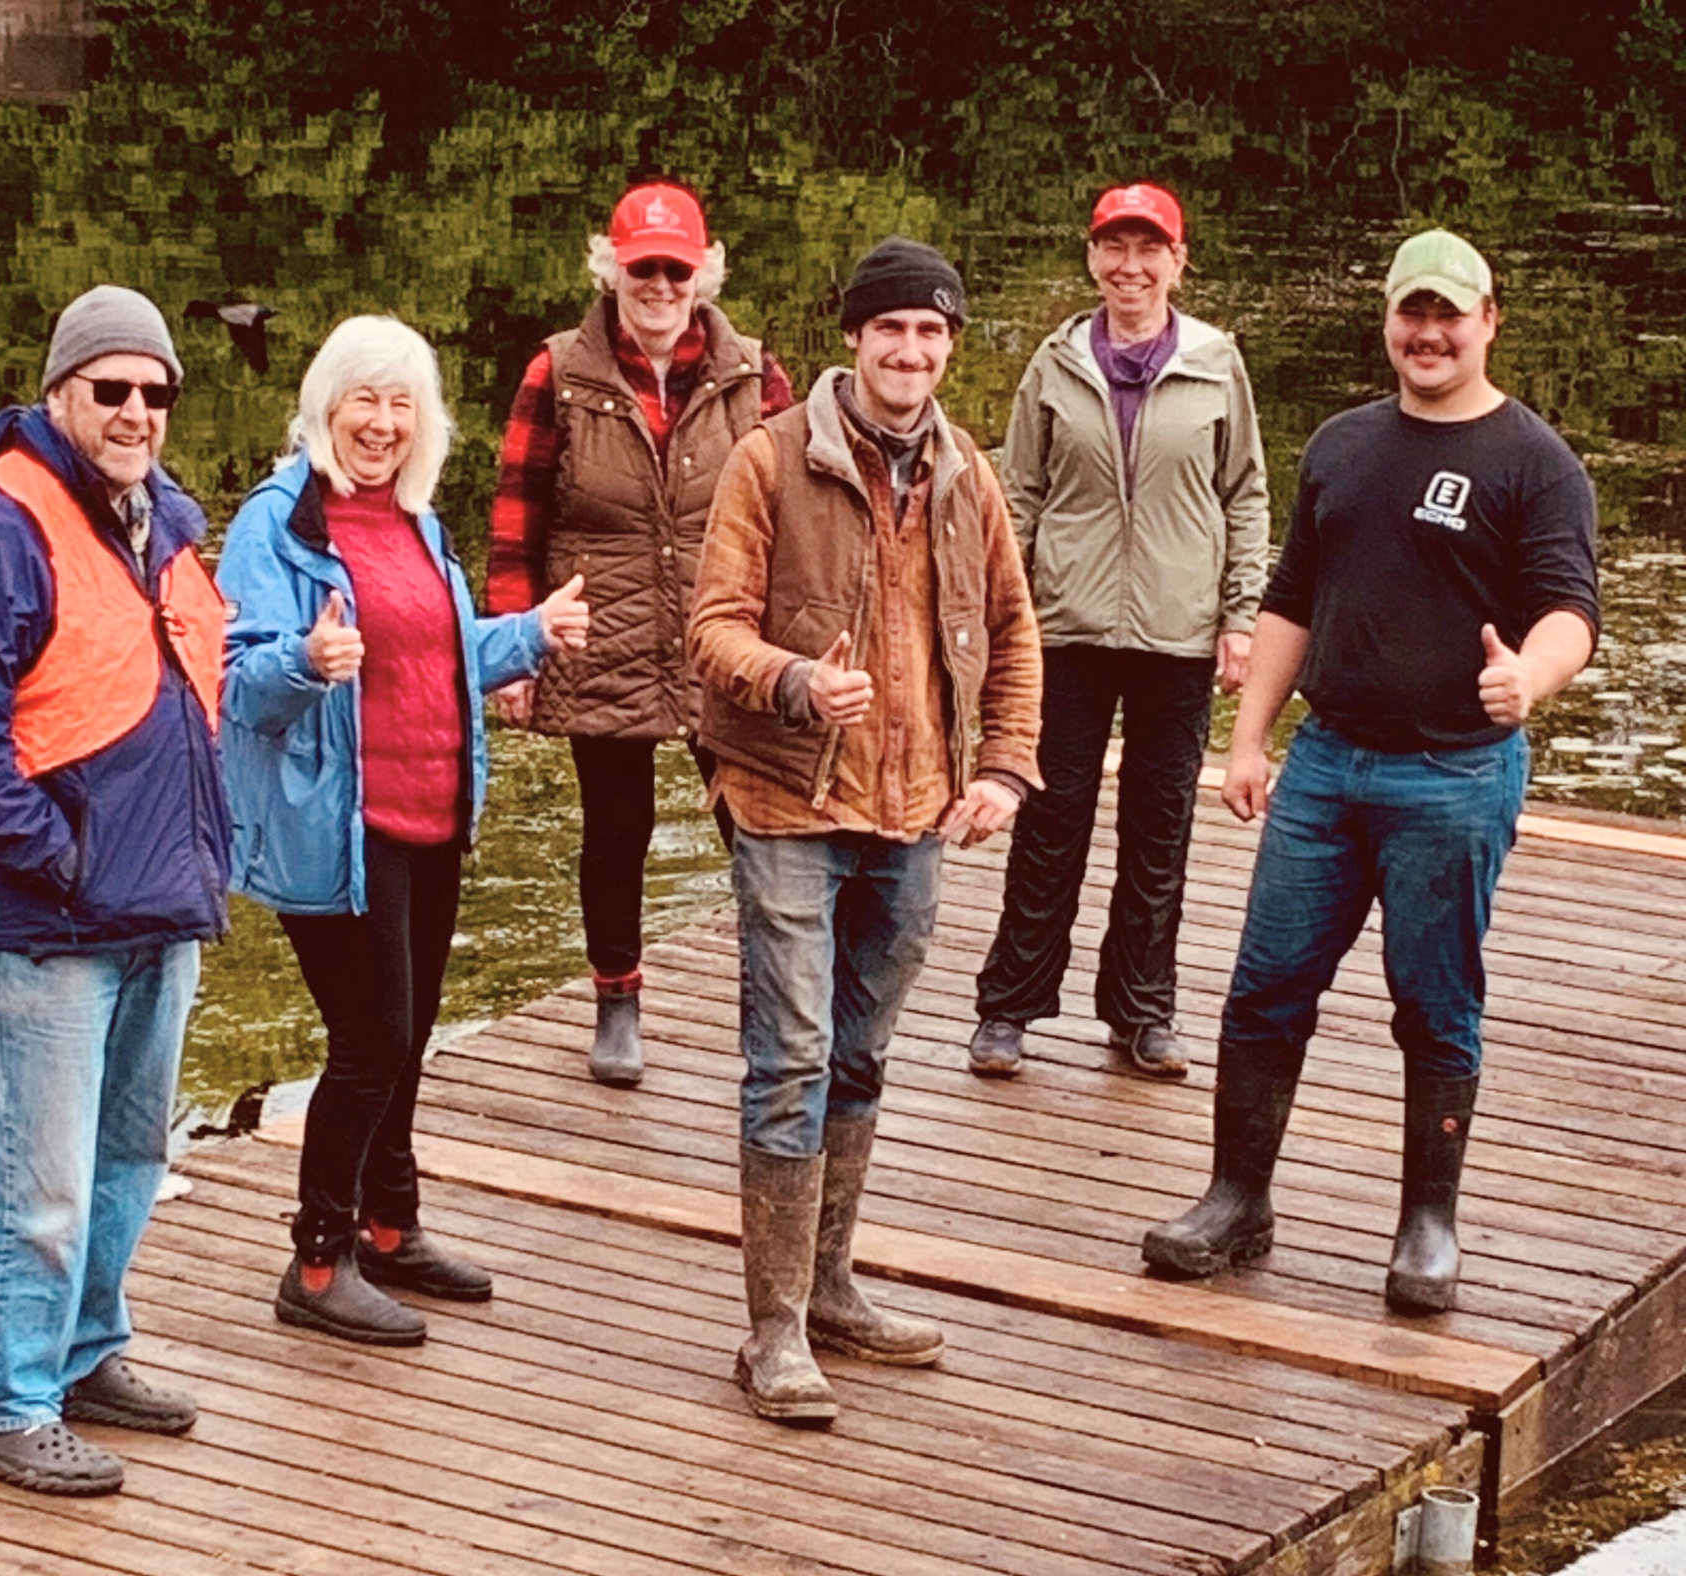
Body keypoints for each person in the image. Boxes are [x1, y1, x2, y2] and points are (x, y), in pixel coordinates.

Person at [1141, 230, 1598, 1312]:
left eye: (1449, 316)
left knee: (1433, 1004)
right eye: (1410, 315)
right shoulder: (1341, 446)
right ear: (1386, 322)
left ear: (1488, 321)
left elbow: (1570, 612)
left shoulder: (1535, 464)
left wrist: (1524, 682)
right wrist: (1249, 739)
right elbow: (1290, 596)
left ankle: (1426, 1225)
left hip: (1452, 773)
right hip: (1324, 767)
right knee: (1262, 988)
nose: (1427, 335)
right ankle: (1234, 1199)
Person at [689, 237, 1043, 1422]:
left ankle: (833, 1283)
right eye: (889, 329)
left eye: (929, 332)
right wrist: (794, 680)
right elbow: (711, 632)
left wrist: (1001, 765)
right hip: (787, 800)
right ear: (854, 337)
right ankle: (773, 1327)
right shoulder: (768, 460)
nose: (908, 351)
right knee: (786, 1057)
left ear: (947, 346)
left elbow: (1012, 631)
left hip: (913, 813)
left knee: (861, 1052)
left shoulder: (967, 474)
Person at [216, 316, 589, 1346]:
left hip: (431, 814)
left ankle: (390, 1224)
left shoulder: (413, 520)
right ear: (324, 406)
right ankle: (319, 1257)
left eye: (399, 403)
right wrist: (304, 660)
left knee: (408, 1031)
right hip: (338, 826)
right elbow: (235, 682)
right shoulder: (277, 523)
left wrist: (527, 633)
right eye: (362, 400)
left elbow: (434, 649)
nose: (380, 423)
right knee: (371, 1037)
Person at [0, 286, 229, 1495]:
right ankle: (0, 1403)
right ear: (60, 395)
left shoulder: (158, 525)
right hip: (54, 922)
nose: (136, 410)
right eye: (112, 389)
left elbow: (186, 699)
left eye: (155, 392)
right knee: (40, 1183)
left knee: (126, 1159)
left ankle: (86, 1355)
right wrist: (62, 856)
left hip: (159, 905)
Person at [486, 180, 795, 1087]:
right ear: (610, 269)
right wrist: (516, 647)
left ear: (703, 273)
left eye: (675, 268)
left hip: (722, 630)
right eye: (641, 268)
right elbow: (517, 519)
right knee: (615, 825)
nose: (659, 285)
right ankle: (616, 997)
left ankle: (776, 993)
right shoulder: (556, 371)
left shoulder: (756, 372)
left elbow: (797, 513)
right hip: (602, 627)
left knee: (758, 821)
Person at [968, 182, 1269, 1083]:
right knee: (1048, 819)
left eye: (1150, 250)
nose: (1130, 268)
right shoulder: (1055, 365)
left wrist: (1242, 618)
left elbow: (1244, 494)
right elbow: (1016, 496)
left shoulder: (1218, 363)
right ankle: (1008, 1010)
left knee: (1159, 827)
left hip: (1179, 635)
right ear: (1093, 257)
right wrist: (1004, 621)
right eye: (1114, 248)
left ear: (1179, 261)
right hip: (1068, 628)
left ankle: (1143, 1013)